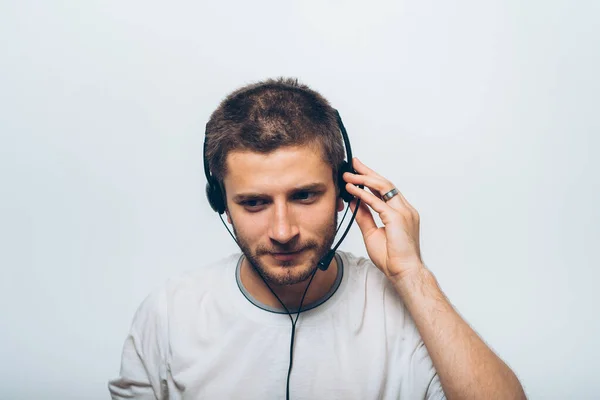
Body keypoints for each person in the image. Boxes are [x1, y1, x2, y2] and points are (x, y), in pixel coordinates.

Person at [108, 78, 526, 399]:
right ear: (222, 204)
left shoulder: (402, 309)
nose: (283, 231)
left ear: (346, 192)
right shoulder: (168, 315)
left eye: (305, 195)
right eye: (254, 203)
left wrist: (412, 275)